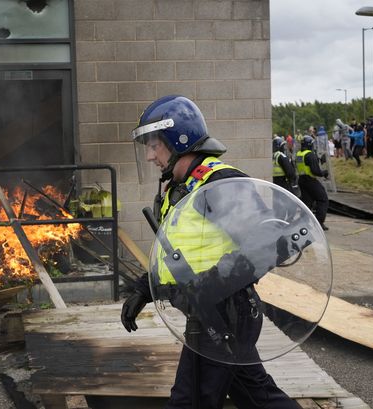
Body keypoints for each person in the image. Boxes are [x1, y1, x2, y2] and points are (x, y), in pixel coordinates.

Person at [121, 95, 301, 409]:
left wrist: (211, 284)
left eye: (154, 145)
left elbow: (266, 244)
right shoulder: (182, 187)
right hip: (209, 313)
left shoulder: (218, 184)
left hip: (223, 313)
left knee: (189, 402)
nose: (150, 156)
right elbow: (181, 253)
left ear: (179, 139)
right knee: (257, 396)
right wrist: (144, 289)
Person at [296, 135, 329, 231]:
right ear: (310, 144)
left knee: (307, 203)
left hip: (302, 180)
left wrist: (318, 160)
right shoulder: (310, 154)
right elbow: (315, 171)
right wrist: (324, 172)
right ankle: (319, 223)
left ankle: (304, 222)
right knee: (323, 199)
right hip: (310, 180)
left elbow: (307, 163)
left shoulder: (299, 154)